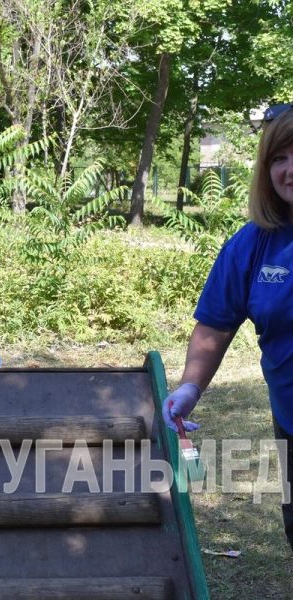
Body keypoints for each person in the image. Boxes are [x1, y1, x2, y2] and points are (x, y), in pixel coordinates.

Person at [162, 103, 293, 553]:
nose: (290, 169)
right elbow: (215, 327)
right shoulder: (252, 242)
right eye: (279, 157)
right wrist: (190, 388)